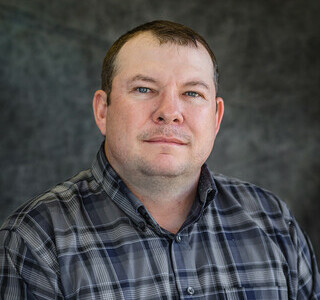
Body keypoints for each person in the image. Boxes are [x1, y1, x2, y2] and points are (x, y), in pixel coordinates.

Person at [0, 20, 319, 300]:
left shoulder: (274, 222)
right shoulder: (35, 241)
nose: (169, 111)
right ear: (103, 110)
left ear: (217, 118)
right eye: (143, 88)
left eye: (192, 93)